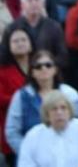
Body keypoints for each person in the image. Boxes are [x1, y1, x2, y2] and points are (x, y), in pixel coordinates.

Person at [5, 50, 78, 155]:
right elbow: (12, 131)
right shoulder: (21, 96)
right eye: (38, 66)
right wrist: (28, 153)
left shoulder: (70, 94)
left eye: (48, 65)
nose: (44, 69)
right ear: (32, 72)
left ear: (55, 69)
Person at [16, 89, 78, 165]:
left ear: (70, 110)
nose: (59, 112)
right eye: (54, 109)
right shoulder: (33, 135)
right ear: (46, 114)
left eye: (63, 108)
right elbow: (25, 163)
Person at [9, 0, 67, 68]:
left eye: (37, 0)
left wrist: (45, 65)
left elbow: (62, 56)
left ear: (43, 4)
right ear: (22, 5)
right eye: (29, 1)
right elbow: (6, 54)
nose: (34, 3)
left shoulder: (54, 27)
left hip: (47, 71)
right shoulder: (13, 27)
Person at [0, 28, 32, 161]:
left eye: (24, 40)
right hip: (13, 126)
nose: (20, 44)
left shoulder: (41, 64)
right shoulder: (2, 70)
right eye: (15, 41)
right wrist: (24, 98)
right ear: (8, 45)